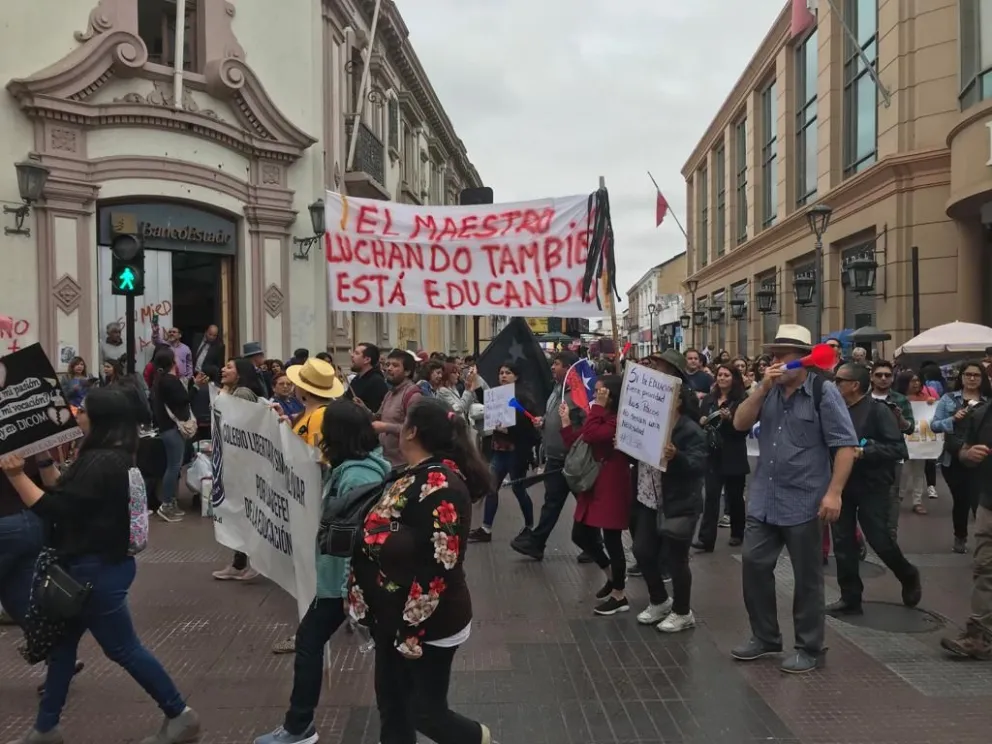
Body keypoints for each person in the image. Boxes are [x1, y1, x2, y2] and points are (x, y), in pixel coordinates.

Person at [0, 388, 199, 744]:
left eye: (83, 413)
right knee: (61, 649)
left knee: (123, 648)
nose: (76, 417)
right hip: (92, 568)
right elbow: (67, 495)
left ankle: (179, 714)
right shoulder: (109, 457)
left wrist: (17, 476)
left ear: (99, 420)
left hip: (95, 572)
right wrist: (44, 460)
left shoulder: (101, 462)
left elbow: (56, 510)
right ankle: (45, 729)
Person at [349, 399, 495, 743]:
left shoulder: (440, 485)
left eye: (404, 424)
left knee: (424, 712)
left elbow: (438, 566)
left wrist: (409, 630)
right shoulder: (414, 474)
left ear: (412, 431)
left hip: (425, 623)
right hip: (393, 616)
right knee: (393, 704)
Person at [254, 400, 391, 744]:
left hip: (342, 583)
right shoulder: (353, 467)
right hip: (343, 582)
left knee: (310, 642)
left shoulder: (359, 475)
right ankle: (301, 725)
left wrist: (347, 593)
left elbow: (354, 536)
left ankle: (300, 726)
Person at [731, 324, 858, 674]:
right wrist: (761, 387)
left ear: (802, 360)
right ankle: (766, 637)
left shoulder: (823, 392)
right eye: (773, 355)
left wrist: (834, 493)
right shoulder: (768, 391)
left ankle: (809, 646)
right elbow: (740, 424)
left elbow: (845, 446)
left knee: (807, 579)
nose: (774, 361)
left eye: (781, 356)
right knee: (754, 565)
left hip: (805, 500)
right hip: (763, 499)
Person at [827, 363, 922, 616]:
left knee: (879, 538)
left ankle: (908, 573)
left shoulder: (877, 411)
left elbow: (898, 449)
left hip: (873, 485)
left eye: (839, 381)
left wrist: (865, 452)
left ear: (854, 385)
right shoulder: (834, 410)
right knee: (843, 542)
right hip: (841, 485)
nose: (835, 385)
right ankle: (850, 597)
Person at [560, 375, 632, 616]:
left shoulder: (616, 421)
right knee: (580, 533)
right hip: (594, 485)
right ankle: (611, 574)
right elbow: (581, 441)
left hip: (611, 483)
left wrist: (598, 408)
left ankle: (620, 594)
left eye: (601, 392)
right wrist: (566, 424)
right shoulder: (599, 416)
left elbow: (592, 435)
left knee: (612, 539)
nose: (596, 396)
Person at [211, 358, 267, 582]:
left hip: (245, 465)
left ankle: (253, 562)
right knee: (239, 513)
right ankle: (239, 562)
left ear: (241, 373)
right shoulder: (233, 391)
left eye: (229, 367)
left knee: (246, 514)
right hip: (237, 463)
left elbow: (236, 425)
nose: (223, 369)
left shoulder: (242, 394)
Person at [470, 361, 539, 543]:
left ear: (516, 376)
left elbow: (528, 424)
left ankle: (530, 526)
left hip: (516, 452)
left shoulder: (522, 396)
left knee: (518, 489)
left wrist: (510, 430)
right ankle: (486, 529)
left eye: (508, 373)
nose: (503, 376)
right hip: (499, 449)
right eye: (501, 372)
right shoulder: (497, 394)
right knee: (492, 488)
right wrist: (476, 383)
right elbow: (488, 403)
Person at [931, 361, 991, 553]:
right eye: (968, 375)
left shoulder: (988, 401)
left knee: (978, 499)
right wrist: (953, 419)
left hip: (983, 458)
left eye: (976, 375)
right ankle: (960, 536)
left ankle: (984, 543)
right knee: (961, 500)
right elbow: (935, 425)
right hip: (954, 457)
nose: (972, 378)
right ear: (961, 377)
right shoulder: (949, 399)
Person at [694, 363, 749, 551]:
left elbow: (744, 428)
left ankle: (737, 532)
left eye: (726, 375)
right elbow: (700, 419)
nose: (722, 378)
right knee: (711, 496)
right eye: (719, 375)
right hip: (713, 454)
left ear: (733, 378)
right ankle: (706, 539)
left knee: (734, 497)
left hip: (733, 454)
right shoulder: (710, 398)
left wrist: (731, 420)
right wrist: (702, 421)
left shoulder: (741, 399)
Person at [150, 347, 191, 524]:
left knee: (172, 465)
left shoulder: (159, 381)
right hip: (173, 427)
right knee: (174, 466)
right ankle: (166, 503)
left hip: (166, 427)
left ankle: (170, 502)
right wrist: (191, 384)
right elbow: (183, 399)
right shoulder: (169, 380)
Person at [372, 349, 423, 468]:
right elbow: (378, 417)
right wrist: (362, 409)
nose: (389, 369)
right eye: (388, 365)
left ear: (407, 372)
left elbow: (414, 430)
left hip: (403, 464)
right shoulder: (389, 393)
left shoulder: (413, 395)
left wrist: (386, 427)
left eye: (395, 366)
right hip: (386, 461)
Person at [348, 343, 388, 414]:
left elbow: (376, 413)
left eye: (356, 353)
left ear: (367, 359)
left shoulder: (377, 382)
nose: (352, 355)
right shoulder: (357, 378)